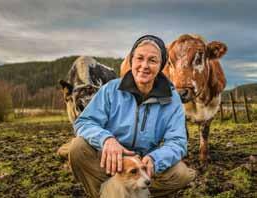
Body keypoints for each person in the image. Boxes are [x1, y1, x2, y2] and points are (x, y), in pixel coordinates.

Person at [69, 35, 196, 198]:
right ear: (132, 61)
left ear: (160, 66)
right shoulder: (111, 89)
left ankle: (132, 191)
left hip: (145, 164)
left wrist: (155, 159)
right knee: (78, 148)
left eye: (152, 60)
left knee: (181, 173)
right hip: (110, 160)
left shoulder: (171, 99)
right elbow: (85, 122)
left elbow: (178, 141)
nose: (144, 66)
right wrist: (106, 140)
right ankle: (105, 193)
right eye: (140, 58)